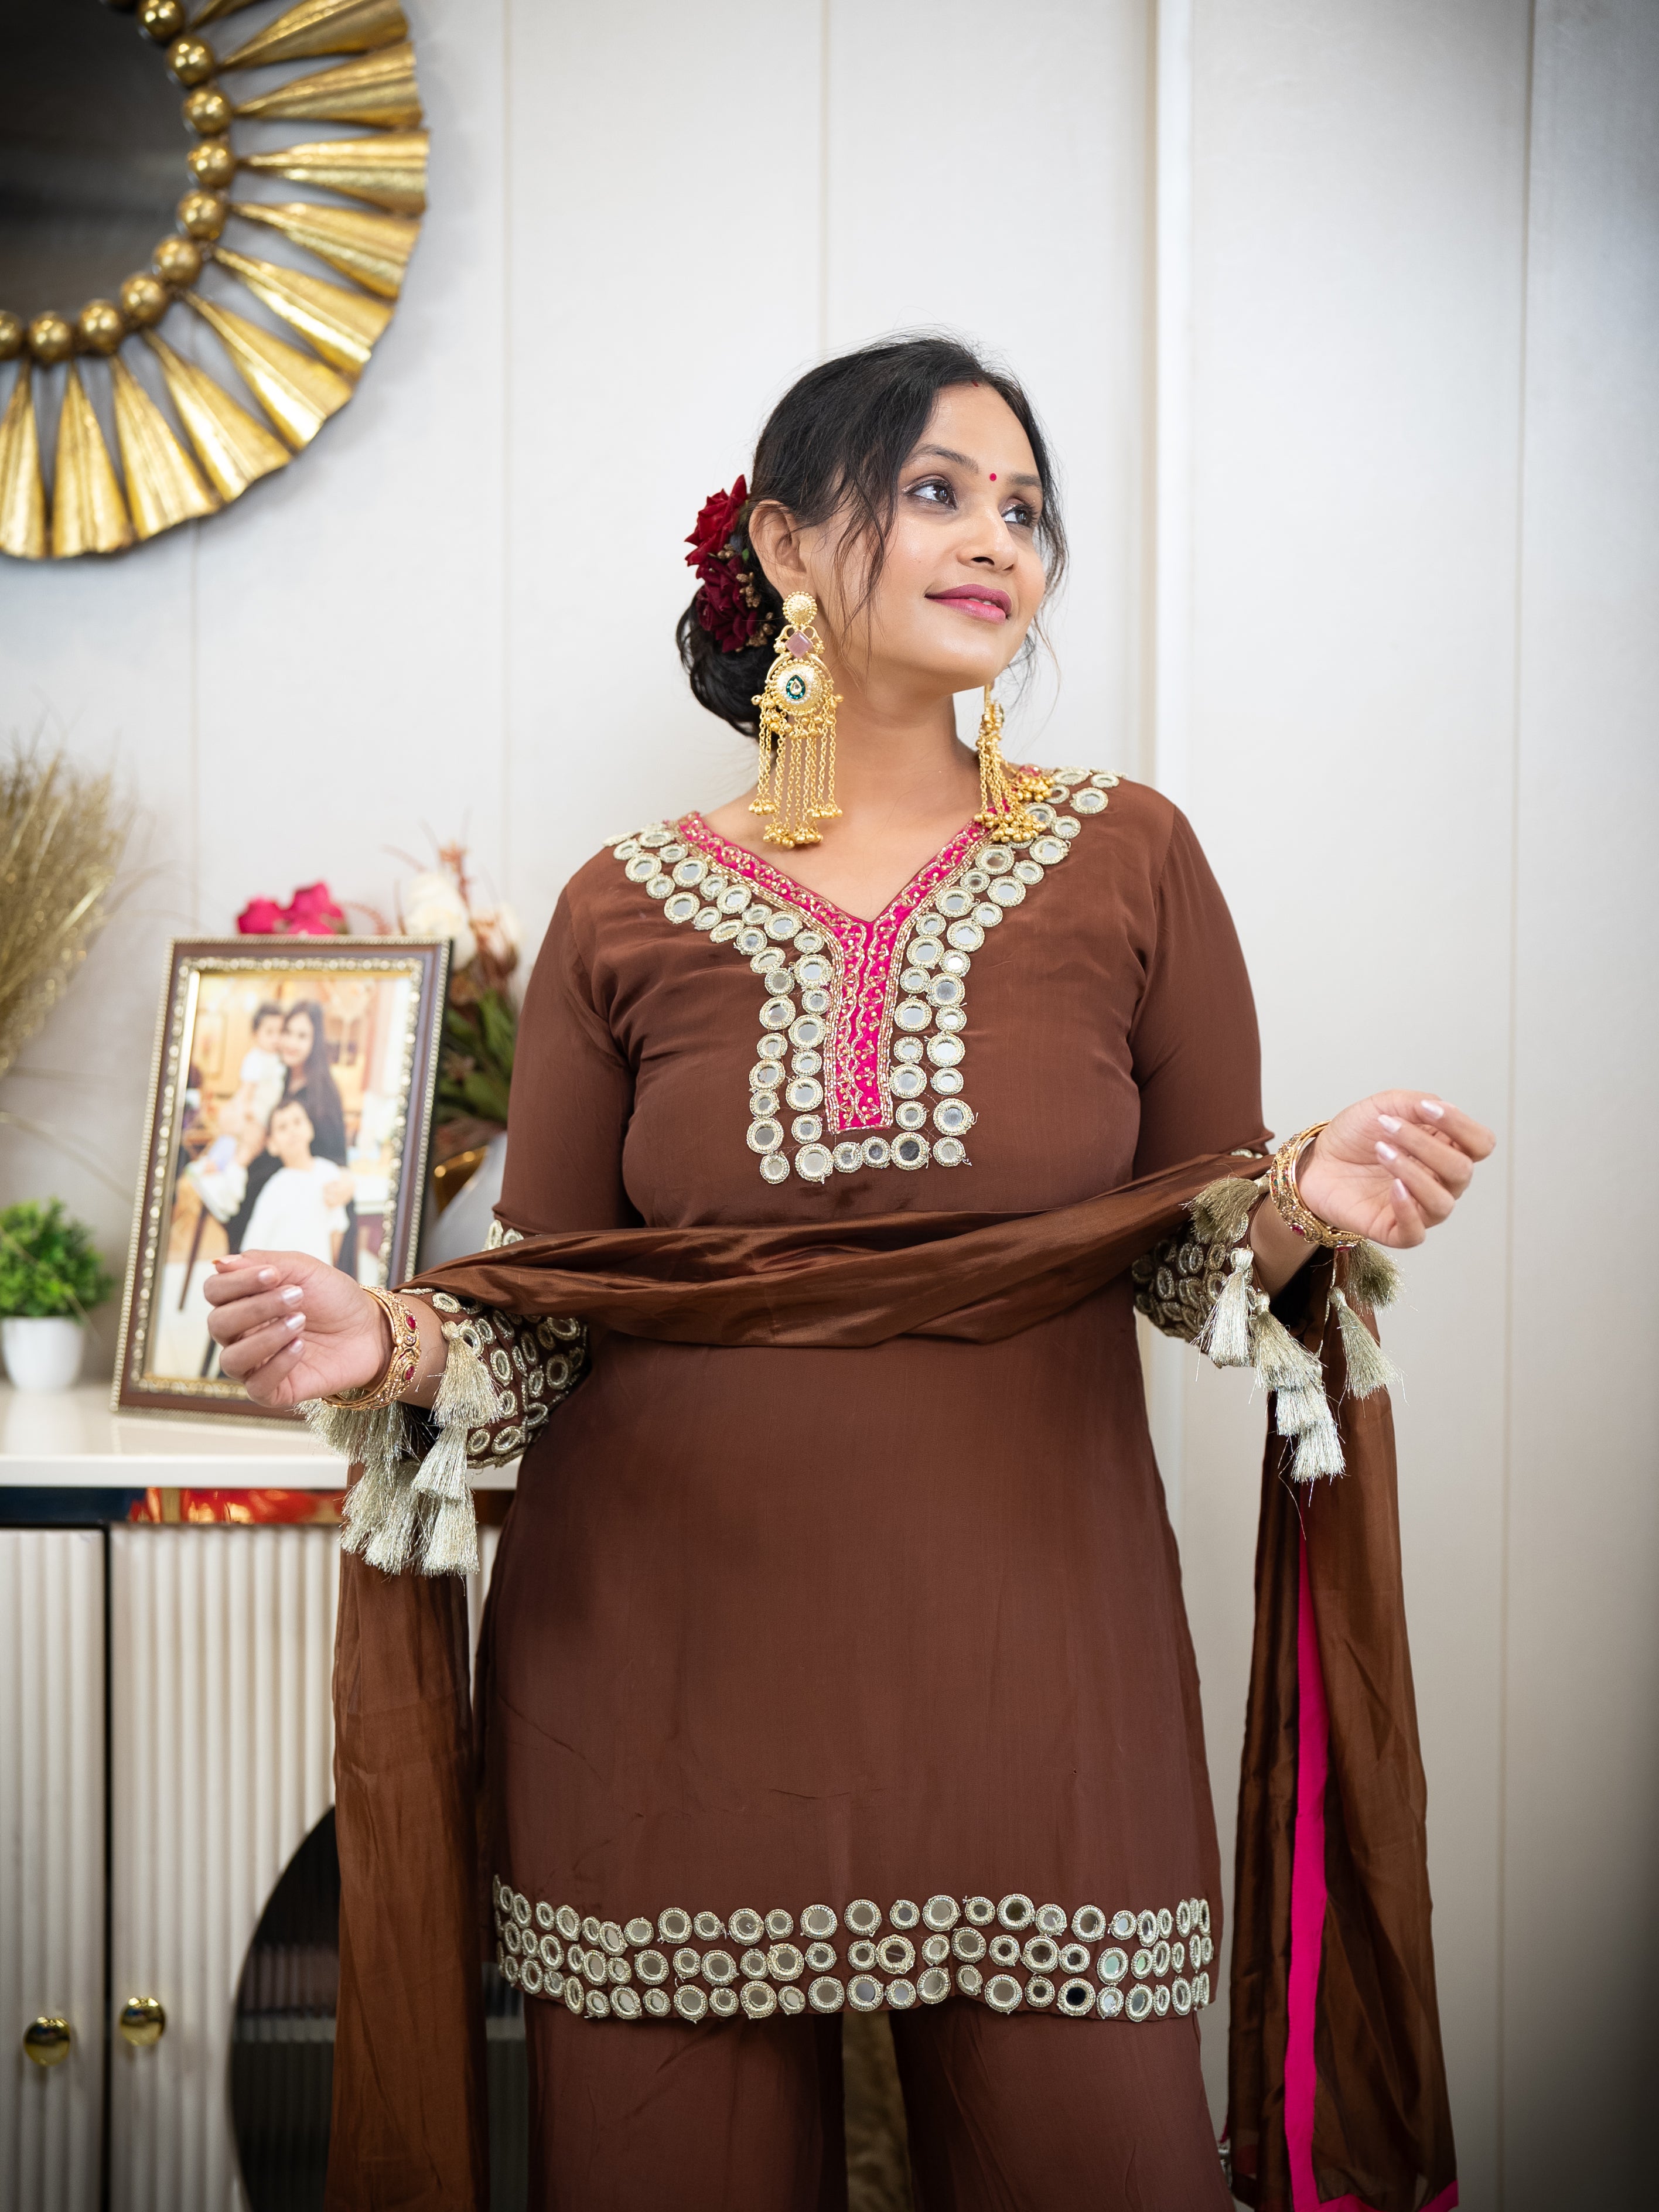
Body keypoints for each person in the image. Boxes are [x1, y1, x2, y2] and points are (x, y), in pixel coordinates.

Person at [204, 336, 1489, 2211]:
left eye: (1025, 508)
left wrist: (1308, 1193)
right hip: (659, 1692)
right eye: (937, 492)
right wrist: (385, 1336)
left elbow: (1190, 1252)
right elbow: (551, 1317)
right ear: (787, 546)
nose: (998, 541)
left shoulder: (1129, 859)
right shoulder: (623, 905)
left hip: (1037, 1682)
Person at [241, 1097, 351, 1269]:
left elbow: (336, 1230)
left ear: (310, 1128)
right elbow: (253, 1245)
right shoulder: (274, 1188)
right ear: (272, 1145)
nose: (292, 1130)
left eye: (297, 1122)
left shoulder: (329, 1173)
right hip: (280, 1275)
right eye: (282, 1127)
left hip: (319, 1273)